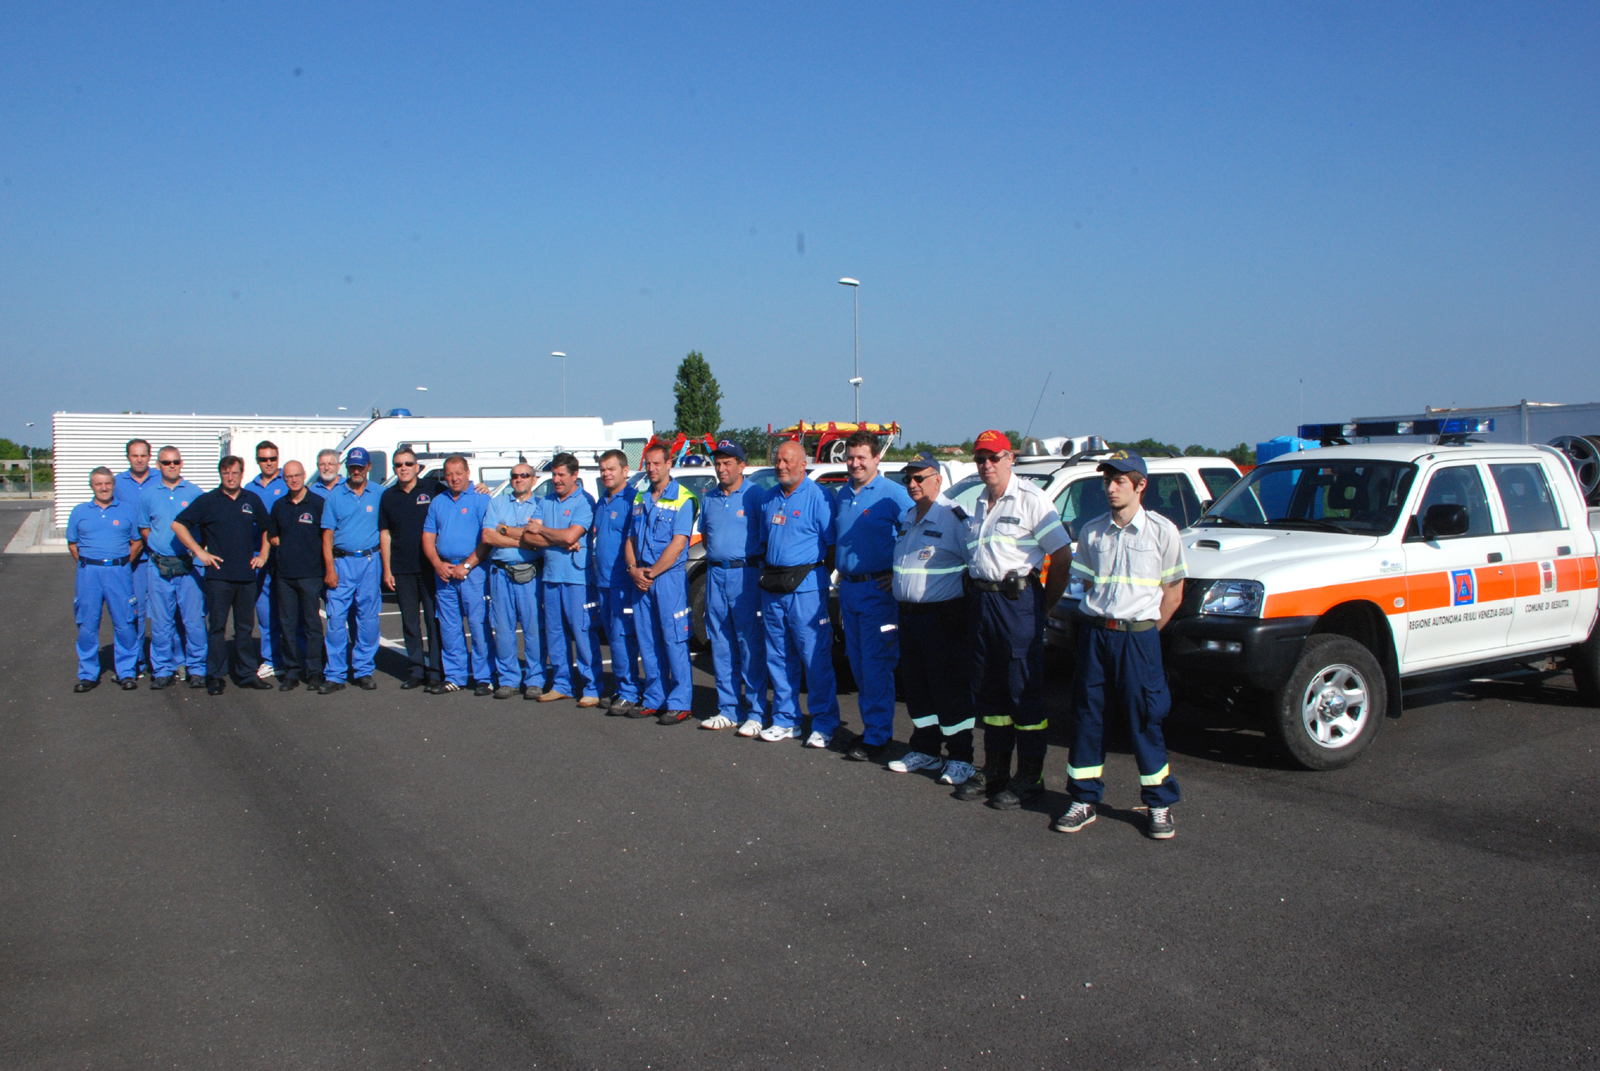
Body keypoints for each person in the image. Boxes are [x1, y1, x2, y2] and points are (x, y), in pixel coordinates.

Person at [1054, 452, 1185, 840]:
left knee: (1145, 717)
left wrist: (1144, 630)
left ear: (1140, 485)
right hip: (1096, 635)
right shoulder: (1092, 532)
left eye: (1119, 481)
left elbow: (1173, 593)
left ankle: (1159, 803)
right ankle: (1083, 799)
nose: (1110, 488)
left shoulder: (1163, 532)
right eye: (1107, 481)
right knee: (1088, 716)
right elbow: (1087, 584)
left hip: (1139, 639)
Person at [955, 430, 1072, 809]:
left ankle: (1030, 776)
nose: (986, 465)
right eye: (980, 459)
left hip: (1016, 603)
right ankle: (995, 769)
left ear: (1010, 459)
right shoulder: (979, 502)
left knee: (1024, 693)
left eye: (994, 457)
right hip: (983, 603)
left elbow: (1062, 557)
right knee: (990, 692)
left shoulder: (1031, 499)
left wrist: (1043, 607)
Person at [886, 453, 978, 785]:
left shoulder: (954, 518)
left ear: (938, 479)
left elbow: (975, 566)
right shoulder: (910, 516)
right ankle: (925, 749)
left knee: (949, 689)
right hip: (910, 617)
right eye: (907, 479)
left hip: (943, 617)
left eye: (919, 478)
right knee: (917, 687)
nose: (912, 484)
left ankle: (961, 757)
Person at [833, 430, 914, 761]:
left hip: (878, 593)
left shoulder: (893, 495)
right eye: (850, 457)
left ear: (877, 458)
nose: (855, 463)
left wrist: (898, 572)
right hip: (849, 590)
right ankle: (871, 728)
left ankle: (878, 737)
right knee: (858, 664)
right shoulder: (842, 494)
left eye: (862, 458)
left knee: (876, 665)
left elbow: (918, 532)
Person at [758, 439, 840, 746]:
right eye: (777, 460)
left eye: (787, 461)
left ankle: (824, 723)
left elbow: (831, 546)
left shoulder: (819, 497)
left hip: (807, 590)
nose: (780, 466)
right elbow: (765, 541)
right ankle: (785, 719)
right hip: (774, 588)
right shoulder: (769, 498)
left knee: (814, 657)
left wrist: (814, 575)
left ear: (803, 464)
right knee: (778, 656)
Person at [172, 456, 273, 695]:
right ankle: (215, 676)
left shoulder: (251, 499)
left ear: (241, 473)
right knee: (217, 628)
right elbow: (178, 524)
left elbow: (268, 527)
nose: (230, 477)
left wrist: (263, 555)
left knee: (245, 628)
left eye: (235, 473)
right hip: (218, 577)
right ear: (221, 474)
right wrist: (199, 552)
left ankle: (247, 674)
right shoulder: (208, 501)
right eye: (226, 473)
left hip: (246, 576)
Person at [624, 442, 698, 725]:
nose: (652, 468)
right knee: (648, 639)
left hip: (667, 579)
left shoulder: (684, 498)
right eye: (648, 464)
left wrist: (650, 574)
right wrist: (633, 569)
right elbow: (630, 539)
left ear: (669, 464)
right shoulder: (640, 498)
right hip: (641, 578)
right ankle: (654, 697)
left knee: (674, 639)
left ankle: (680, 702)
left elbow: (678, 544)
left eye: (657, 463)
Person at [698, 439, 769, 734]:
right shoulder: (709, 498)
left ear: (742, 465)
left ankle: (756, 712)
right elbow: (706, 537)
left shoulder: (756, 496)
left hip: (746, 575)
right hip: (715, 575)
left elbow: (767, 538)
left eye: (728, 463)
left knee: (749, 644)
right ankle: (728, 708)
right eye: (718, 463)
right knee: (720, 642)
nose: (721, 468)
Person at [522, 453, 602, 707]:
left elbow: (570, 536)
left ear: (574, 475)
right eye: (553, 474)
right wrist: (560, 539)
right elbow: (529, 537)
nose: (556, 480)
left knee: (583, 633)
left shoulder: (584, 501)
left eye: (561, 475)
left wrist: (545, 531)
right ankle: (561, 685)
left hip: (577, 578)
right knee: (555, 633)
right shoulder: (546, 500)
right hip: (551, 577)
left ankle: (592, 686)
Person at [135, 447, 208, 690]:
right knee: (161, 622)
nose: (172, 466)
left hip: (189, 566)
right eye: (166, 462)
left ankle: (197, 668)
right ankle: (163, 669)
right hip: (159, 567)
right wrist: (159, 550)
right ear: (159, 465)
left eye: (175, 461)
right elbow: (145, 529)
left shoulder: (195, 492)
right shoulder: (148, 495)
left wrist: (194, 551)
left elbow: (204, 528)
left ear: (181, 463)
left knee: (194, 621)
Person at [422, 455, 492, 695]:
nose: (454, 478)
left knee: (478, 625)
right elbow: (428, 536)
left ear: (467, 473)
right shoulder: (438, 501)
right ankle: (455, 676)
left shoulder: (481, 498)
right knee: (449, 627)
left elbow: (487, 538)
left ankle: (485, 677)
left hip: (474, 571)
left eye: (458, 473)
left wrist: (467, 565)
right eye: (449, 474)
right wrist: (437, 564)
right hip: (445, 572)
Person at [68, 467, 142, 690]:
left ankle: (126, 672)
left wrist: (121, 563)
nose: (103, 488)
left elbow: (137, 542)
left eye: (107, 483)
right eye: (98, 484)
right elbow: (73, 544)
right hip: (89, 573)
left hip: (118, 572)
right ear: (92, 486)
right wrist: (90, 563)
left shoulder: (127, 511)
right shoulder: (79, 511)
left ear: (113, 484)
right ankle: (88, 674)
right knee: (87, 624)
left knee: (125, 623)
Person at [318, 448, 383, 693]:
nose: (356, 471)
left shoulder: (379, 493)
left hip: (370, 561)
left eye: (360, 467)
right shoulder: (335, 496)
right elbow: (327, 536)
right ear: (347, 468)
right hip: (342, 563)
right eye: (352, 467)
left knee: (368, 619)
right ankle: (335, 674)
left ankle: (363, 670)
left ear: (368, 467)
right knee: (336, 620)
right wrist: (330, 569)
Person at [380, 448, 445, 690]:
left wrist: (479, 488)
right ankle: (416, 669)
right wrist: (387, 569)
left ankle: (436, 670)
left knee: (433, 621)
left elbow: (458, 493)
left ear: (417, 466)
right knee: (409, 622)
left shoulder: (433, 489)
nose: (404, 468)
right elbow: (385, 534)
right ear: (394, 468)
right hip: (402, 568)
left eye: (408, 463)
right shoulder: (388, 496)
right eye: (399, 464)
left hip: (429, 567)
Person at [482, 462, 547, 699]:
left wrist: (504, 529)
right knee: (503, 630)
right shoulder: (497, 503)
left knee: (533, 629)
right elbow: (487, 536)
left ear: (534, 479)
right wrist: (524, 540)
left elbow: (539, 540)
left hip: (530, 574)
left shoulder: (541, 505)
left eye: (524, 475)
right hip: (500, 574)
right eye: (514, 476)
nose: (518, 479)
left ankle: (535, 680)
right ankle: (508, 680)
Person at [266, 461, 327, 691]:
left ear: (304, 475)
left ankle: (315, 672)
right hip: (285, 576)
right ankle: (291, 672)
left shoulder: (317, 503)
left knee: (312, 625)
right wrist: (285, 546)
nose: (293, 480)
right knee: (288, 625)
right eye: (289, 477)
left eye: (297, 475)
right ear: (284, 479)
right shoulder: (279, 506)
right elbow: (272, 536)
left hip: (310, 574)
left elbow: (326, 537)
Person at [591, 449, 642, 716]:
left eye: (611, 469)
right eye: (603, 469)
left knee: (624, 637)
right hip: (604, 581)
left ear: (625, 471)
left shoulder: (633, 500)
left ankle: (631, 692)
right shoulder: (602, 501)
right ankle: (623, 687)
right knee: (612, 636)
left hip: (623, 581)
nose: (606, 474)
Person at [113, 438, 157, 678]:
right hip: (134, 558)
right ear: (128, 457)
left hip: (160, 556)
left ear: (149, 456)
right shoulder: (117, 483)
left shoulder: (162, 478)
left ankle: (169, 663)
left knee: (165, 612)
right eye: (134, 455)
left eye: (143, 455)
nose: (139, 460)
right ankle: (135, 663)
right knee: (134, 612)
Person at [247, 441, 290, 679]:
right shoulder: (249, 488)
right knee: (265, 612)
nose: (269, 463)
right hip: (258, 556)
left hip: (285, 555)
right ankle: (272, 659)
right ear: (258, 461)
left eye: (272, 458)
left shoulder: (288, 483)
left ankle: (299, 658)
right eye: (264, 459)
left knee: (292, 611)